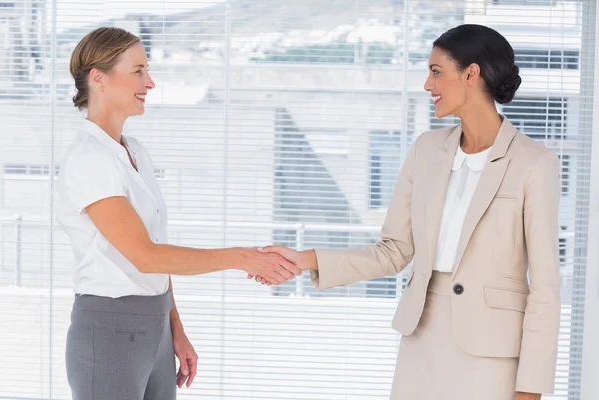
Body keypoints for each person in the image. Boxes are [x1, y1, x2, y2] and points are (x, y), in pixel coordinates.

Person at [257, 24, 560, 400]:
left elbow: (545, 288)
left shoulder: (534, 164)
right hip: (422, 339)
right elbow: (393, 251)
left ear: (471, 73)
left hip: (493, 357)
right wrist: (304, 259)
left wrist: (530, 389)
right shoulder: (426, 150)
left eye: (436, 72)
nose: (427, 85)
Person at [56, 27, 299, 400]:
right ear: (99, 78)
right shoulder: (90, 159)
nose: (150, 82)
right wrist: (242, 258)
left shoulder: (133, 151)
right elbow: (145, 256)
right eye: (138, 71)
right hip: (109, 329)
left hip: (154, 328)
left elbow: (156, 251)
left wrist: (175, 330)